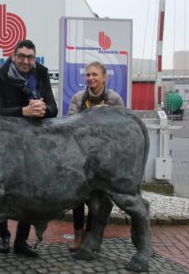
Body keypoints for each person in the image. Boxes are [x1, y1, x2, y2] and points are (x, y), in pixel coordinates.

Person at [0, 39, 58, 257]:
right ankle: (4, 237)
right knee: (1, 192)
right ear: (13, 56)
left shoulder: (41, 73)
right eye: (22, 56)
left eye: (30, 57)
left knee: (29, 192)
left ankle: (20, 241)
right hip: (6, 141)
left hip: (32, 143)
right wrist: (23, 111)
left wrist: (42, 109)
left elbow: (53, 108)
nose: (26, 61)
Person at [66, 60, 124, 251]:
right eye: (88, 75)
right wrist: (92, 114)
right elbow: (70, 124)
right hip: (81, 156)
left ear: (104, 77)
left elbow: (121, 128)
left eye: (95, 75)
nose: (90, 78)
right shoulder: (77, 98)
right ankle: (77, 236)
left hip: (103, 159)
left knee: (96, 197)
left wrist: (105, 114)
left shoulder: (114, 99)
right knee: (77, 198)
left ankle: (90, 235)